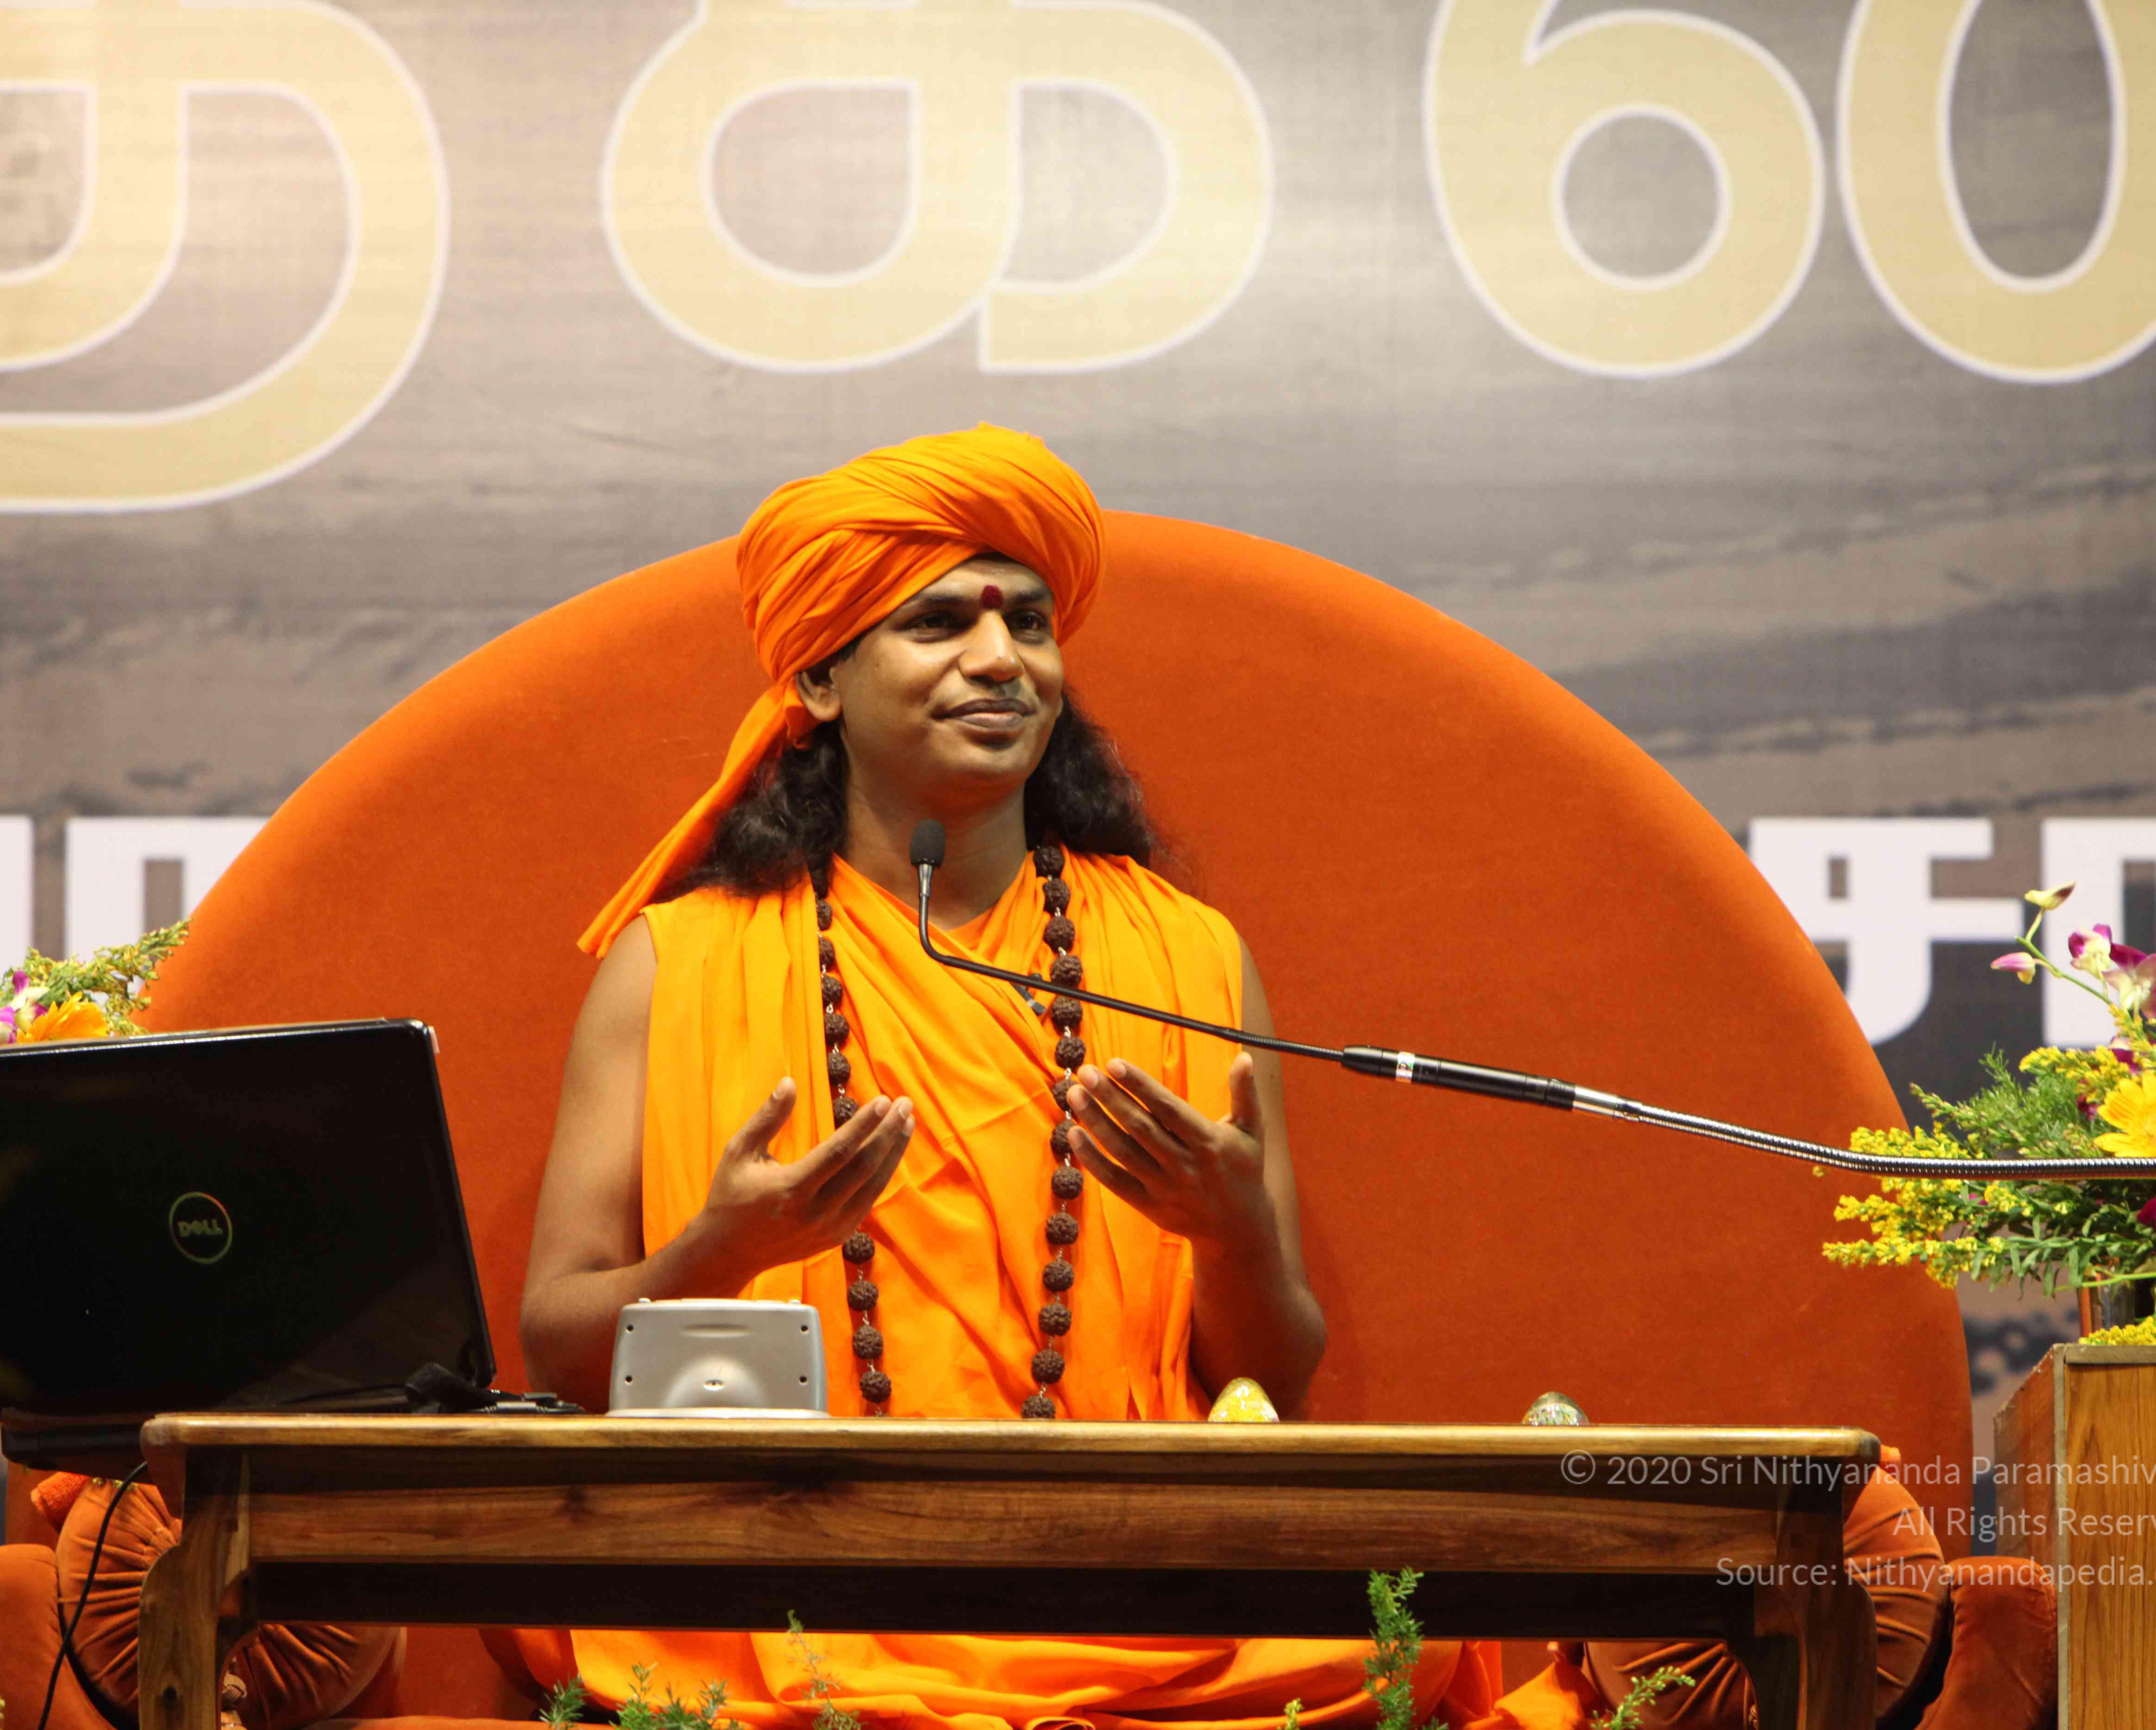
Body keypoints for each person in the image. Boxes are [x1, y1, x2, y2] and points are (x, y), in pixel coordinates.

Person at [508, 424, 1503, 1730]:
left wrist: (1230, 1235)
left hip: (1135, 1582)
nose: (1002, 660)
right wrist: (722, 1250)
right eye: (938, 624)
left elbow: (1276, 1380)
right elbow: (562, 1348)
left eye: (1029, 623)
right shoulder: (677, 960)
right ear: (817, 680)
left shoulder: (1185, 955)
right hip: (798, 1567)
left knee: (1399, 1634)